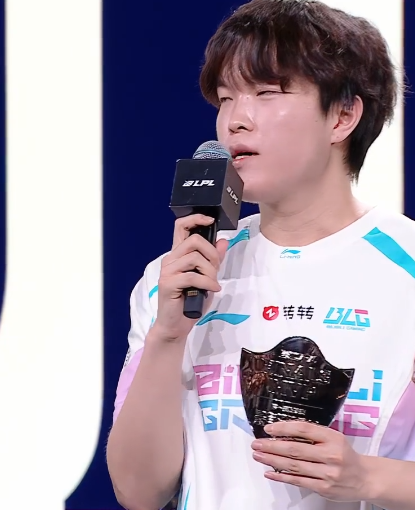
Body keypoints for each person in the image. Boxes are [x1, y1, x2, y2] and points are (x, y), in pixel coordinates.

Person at [106, 1, 415, 509]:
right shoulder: (180, 276)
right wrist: (168, 336)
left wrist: (368, 478)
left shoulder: (406, 270)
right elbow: (139, 491)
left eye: (266, 93)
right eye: (226, 98)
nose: (235, 121)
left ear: (343, 115)